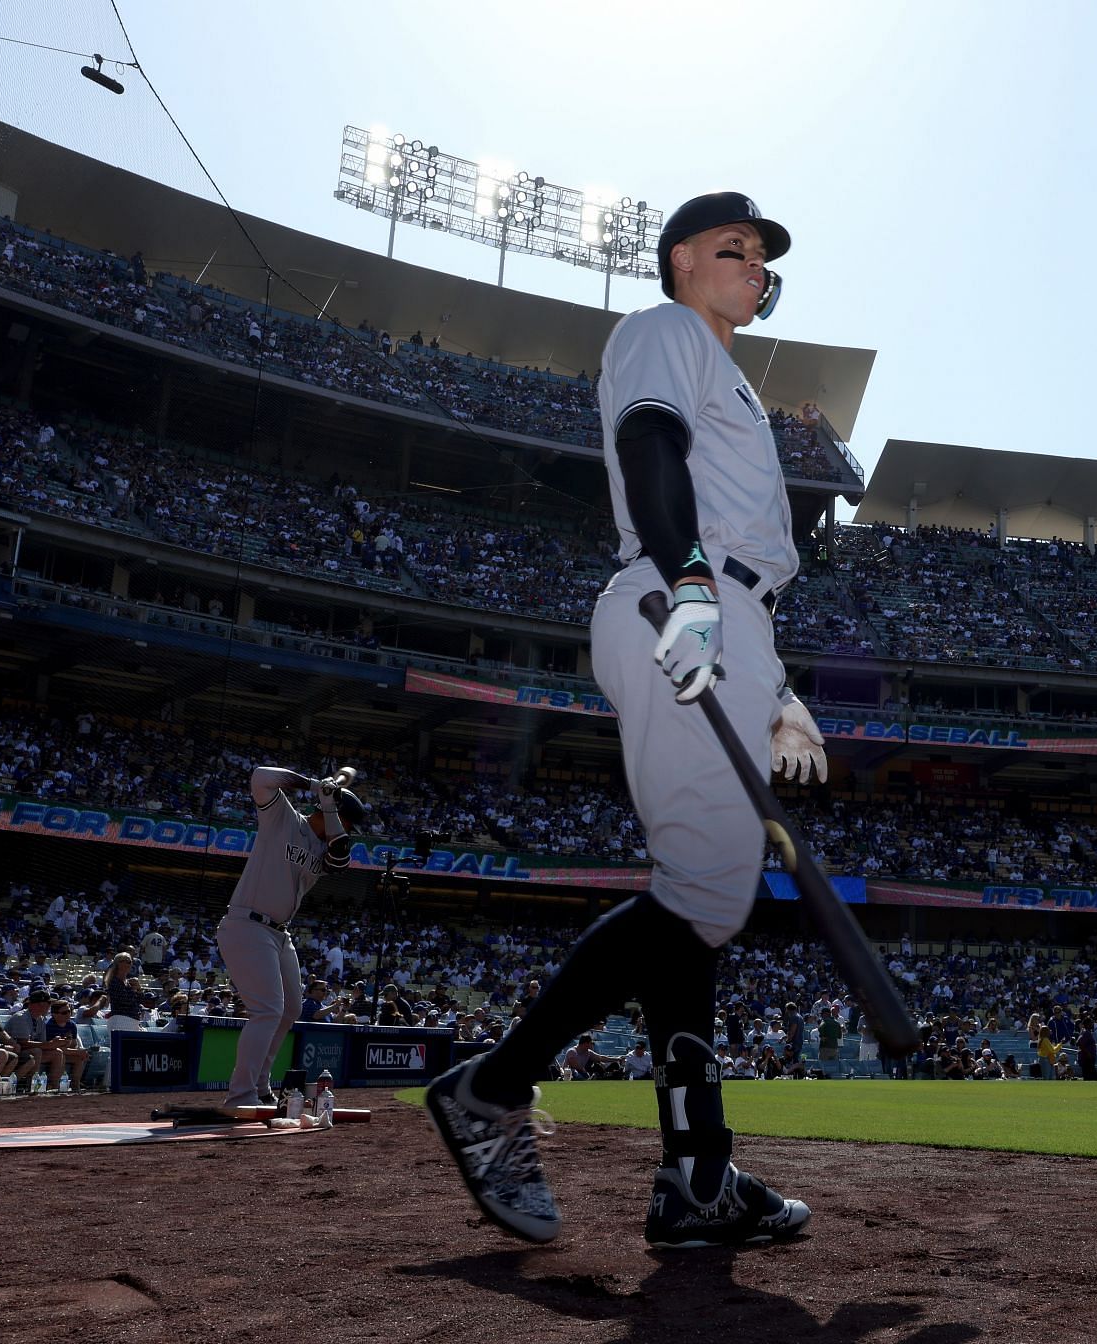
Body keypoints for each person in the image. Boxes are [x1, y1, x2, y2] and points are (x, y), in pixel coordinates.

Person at [424, 192, 815, 1251]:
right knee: (699, 894)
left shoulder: (724, 365)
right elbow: (649, 445)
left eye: (763, 258)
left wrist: (773, 686)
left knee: (697, 909)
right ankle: (493, 1089)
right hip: (683, 598)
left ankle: (698, 1172)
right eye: (732, 248)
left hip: (729, 615)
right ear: (680, 259)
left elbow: (724, 514)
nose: (754, 266)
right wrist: (692, 587)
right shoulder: (665, 330)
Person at [213, 765, 362, 1115]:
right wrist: (314, 785)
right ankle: (240, 1095)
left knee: (290, 1009)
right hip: (247, 924)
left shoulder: (327, 845)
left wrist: (329, 806)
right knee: (268, 1009)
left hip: (279, 934)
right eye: (347, 821)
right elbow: (260, 775)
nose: (347, 830)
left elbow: (341, 856)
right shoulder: (284, 817)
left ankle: (261, 1086)